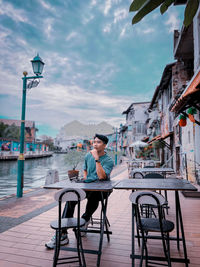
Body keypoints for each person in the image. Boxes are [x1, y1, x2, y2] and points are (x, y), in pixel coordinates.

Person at [45, 133, 114, 249]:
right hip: (87, 185)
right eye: (94, 142)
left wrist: (97, 159)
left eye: (99, 142)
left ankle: (84, 220)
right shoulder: (88, 155)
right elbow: (85, 169)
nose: (95, 144)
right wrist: (86, 178)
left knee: (94, 197)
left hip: (102, 189)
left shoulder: (109, 160)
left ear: (105, 145)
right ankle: (62, 234)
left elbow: (102, 176)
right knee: (71, 198)